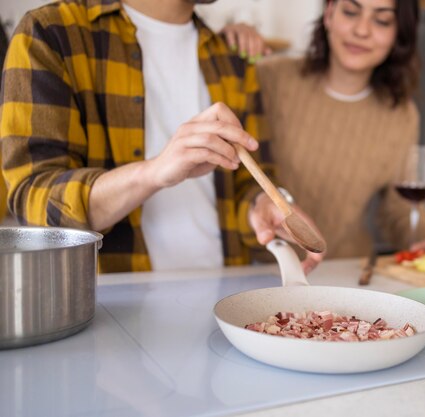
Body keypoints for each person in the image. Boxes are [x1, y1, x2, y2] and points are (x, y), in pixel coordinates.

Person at [0, 0, 323, 274]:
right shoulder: (51, 32)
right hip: (112, 315)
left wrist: (260, 204)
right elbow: (35, 204)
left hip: (224, 300)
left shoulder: (230, 56)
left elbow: (245, 182)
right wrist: (153, 173)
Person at [225, 0, 425, 258]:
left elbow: (397, 211)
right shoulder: (270, 78)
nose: (362, 30)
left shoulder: (402, 115)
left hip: (346, 274)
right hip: (260, 271)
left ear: (398, 34)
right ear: (329, 15)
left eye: (381, 20)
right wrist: (224, 46)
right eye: (351, 12)